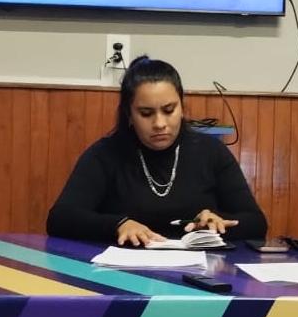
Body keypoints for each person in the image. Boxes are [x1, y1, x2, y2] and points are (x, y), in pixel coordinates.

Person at [46, 56, 268, 245]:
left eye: (169, 110)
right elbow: (60, 219)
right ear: (129, 114)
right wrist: (118, 224)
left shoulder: (211, 152)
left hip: (199, 272)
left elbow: (256, 223)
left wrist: (218, 222)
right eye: (146, 113)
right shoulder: (105, 154)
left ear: (182, 107)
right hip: (124, 272)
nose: (160, 123)